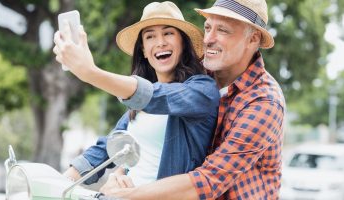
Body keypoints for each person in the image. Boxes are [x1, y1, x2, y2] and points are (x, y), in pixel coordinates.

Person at [102, 0, 286, 199]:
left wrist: (127, 195)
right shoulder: (194, 76)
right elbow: (138, 122)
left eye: (222, 30)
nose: (208, 39)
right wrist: (120, 172)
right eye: (207, 28)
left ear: (253, 39)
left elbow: (209, 180)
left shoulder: (265, 101)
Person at [53, 1, 220, 187]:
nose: (160, 42)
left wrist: (91, 73)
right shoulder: (137, 109)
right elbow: (105, 149)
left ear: (183, 42)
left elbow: (155, 95)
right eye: (150, 37)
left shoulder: (202, 90)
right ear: (143, 51)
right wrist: (58, 182)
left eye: (168, 33)